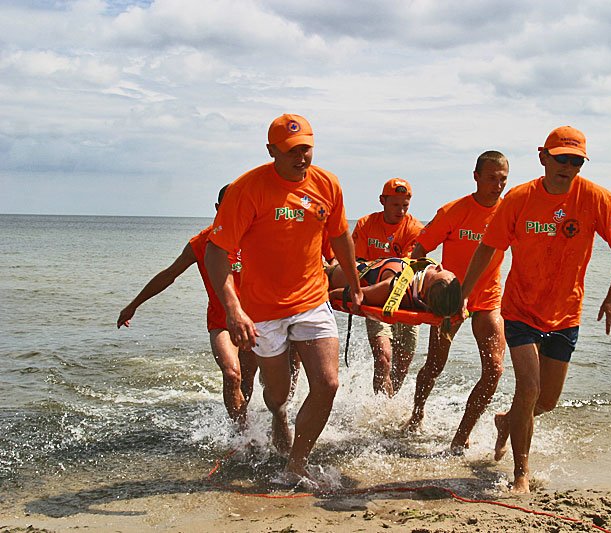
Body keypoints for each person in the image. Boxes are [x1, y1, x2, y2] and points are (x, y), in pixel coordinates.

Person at [461, 126, 611, 493]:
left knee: (547, 400)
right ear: (543, 156)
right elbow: (488, 247)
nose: (568, 166)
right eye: (561, 158)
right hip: (521, 309)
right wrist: (464, 293)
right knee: (529, 384)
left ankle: (509, 421)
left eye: (576, 161)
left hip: (566, 313)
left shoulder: (596, 199)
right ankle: (521, 473)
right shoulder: (519, 199)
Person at [204, 113, 363, 482]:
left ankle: (296, 464)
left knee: (327, 384)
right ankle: (278, 415)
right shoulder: (248, 189)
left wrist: (354, 282)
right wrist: (233, 310)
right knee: (278, 394)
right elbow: (216, 252)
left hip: (311, 299)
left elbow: (340, 236)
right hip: (262, 310)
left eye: (306, 148)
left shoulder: (328, 184)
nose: (301, 157)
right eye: (291, 150)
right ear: (272, 150)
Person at [116, 185, 257, 426]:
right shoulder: (202, 242)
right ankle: (241, 436)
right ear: (217, 208)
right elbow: (169, 274)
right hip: (221, 322)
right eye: (228, 206)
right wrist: (134, 304)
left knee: (247, 380)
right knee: (232, 374)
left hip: (254, 320)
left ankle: (246, 427)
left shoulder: (255, 236)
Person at [405, 151, 509, 454]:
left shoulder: (507, 213)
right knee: (435, 364)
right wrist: (421, 289)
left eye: (503, 179)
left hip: (488, 299)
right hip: (450, 300)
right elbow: (420, 248)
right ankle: (417, 412)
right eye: (491, 178)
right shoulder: (454, 211)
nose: (497, 185)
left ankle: (462, 434)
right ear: (476, 176)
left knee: (495, 369)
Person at [351, 178, 425, 396]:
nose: (400, 211)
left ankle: (388, 405)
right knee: (383, 358)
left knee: (401, 365)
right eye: (395, 205)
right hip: (376, 301)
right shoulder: (366, 224)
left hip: (407, 301)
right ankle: (377, 410)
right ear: (382, 201)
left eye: (405, 205)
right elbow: (358, 263)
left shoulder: (415, 228)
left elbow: (406, 270)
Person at [327, 257, 463, 324]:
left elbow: (357, 295)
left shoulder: (394, 287)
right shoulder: (432, 297)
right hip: (349, 264)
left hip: (332, 275)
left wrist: (331, 295)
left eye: (437, 272)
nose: (439, 265)